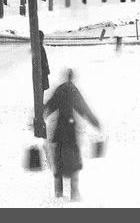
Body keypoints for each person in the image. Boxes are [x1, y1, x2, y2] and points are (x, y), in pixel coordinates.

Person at [44, 69, 100, 200]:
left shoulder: (60, 89)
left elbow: (50, 105)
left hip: (59, 130)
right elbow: (83, 109)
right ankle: (74, 194)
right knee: (73, 162)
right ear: (72, 77)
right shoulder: (73, 90)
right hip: (70, 131)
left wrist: (40, 117)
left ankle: (58, 192)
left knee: (58, 161)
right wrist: (95, 122)